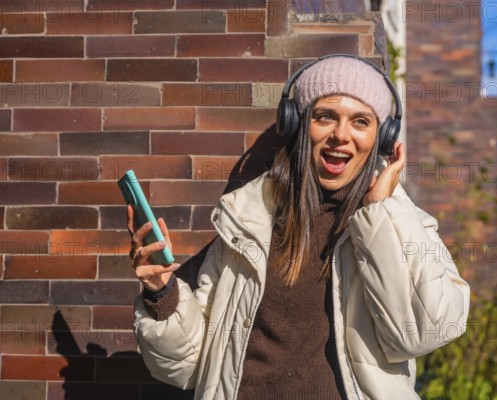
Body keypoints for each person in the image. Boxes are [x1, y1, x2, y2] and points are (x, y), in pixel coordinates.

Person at [127, 54, 470, 399]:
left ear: (382, 138)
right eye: (325, 117)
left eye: (361, 122)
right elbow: (189, 366)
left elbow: (425, 331)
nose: (341, 134)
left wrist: (380, 212)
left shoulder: (402, 224)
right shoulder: (247, 225)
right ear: (298, 125)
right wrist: (162, 293)